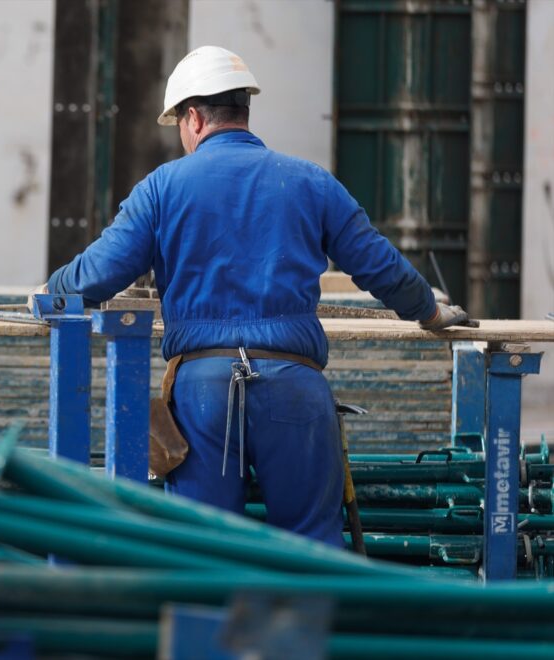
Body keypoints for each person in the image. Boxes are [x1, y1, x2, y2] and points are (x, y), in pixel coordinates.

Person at [38, 46, 470, 546]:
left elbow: (98, 275)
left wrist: (53, 290)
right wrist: (430, 310)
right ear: (244, 110)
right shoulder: (310, 182)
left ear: (194, 118)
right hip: (295, 386)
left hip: (202, 392)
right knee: (310, 546)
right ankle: (305, 626)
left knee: (206, 549)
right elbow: (381, 266)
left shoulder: (162, 188)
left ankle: (210, 625)